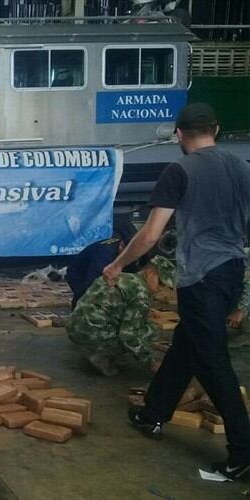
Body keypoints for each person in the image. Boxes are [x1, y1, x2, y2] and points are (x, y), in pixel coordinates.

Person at [102, 103, 250, 480]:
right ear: (215, 129)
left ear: (179, 134)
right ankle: (153, 414)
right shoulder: (241, 167)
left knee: (212, 362)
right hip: (232, 270)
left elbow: (151, 234)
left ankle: (243, 451)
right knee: (188, 346)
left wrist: (118, 265)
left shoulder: (179, 169)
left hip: (201, 277)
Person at [67, 256, 175, 376]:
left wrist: (145, 311)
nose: (161, 288)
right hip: (94, 334)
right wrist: (151, 362)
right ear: (150, 273)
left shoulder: (122, 276)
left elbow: (108, 304)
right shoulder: (141, 293)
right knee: (151, 330)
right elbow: (129, 336)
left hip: (74, 327)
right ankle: (102, 356)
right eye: (160, 282)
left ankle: (97, 349)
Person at [66, 220, 138, 307]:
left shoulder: (133, 250)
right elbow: (92, 281)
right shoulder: (105, 254)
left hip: (98, 269)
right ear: (121, 245)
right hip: (79, 273)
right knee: (86, 298)